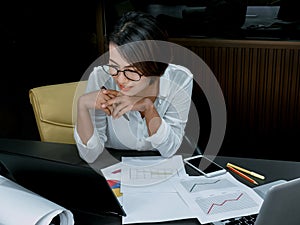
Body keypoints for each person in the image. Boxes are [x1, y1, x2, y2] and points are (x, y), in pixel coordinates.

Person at [74, 11, 193, 163]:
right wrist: (82, 105)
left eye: (131, 71)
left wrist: (147, 108)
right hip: (112, 163)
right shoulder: (100, 78)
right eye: (114, 66)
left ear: (156, 65)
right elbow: (89, 156)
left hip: (159, 165)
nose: (121, 79)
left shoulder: (179, 79)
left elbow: (169, 149)